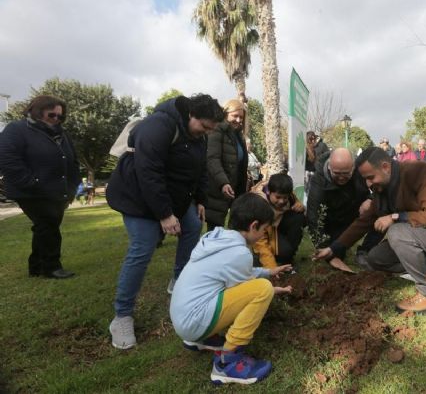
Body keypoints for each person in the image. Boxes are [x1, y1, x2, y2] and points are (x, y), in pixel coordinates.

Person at [106, 94, 223, 349]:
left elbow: (200, 170)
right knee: (143, 247)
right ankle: (122, 315)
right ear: (191, 114)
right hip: (138, 199)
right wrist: (164, 215)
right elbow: (148, 172)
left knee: (193, 227)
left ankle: (180, 282)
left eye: (211, 130)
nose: (206, 133)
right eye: (204, 127)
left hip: (176, 198)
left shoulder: (198, 136)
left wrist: (200, 199)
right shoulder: (159, 125)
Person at [314, 147, 426, 314]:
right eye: (365, 179)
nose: (368, 184)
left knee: (397, 232)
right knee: (376, 258)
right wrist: (334, 248)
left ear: (385, 167)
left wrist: (395, 216)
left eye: (371, 177)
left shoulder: (419, 172)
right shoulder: (382, 187)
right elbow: (363, 222)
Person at [169, 193, 292, 385]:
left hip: (183, 318)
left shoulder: (219, 238)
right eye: (264, 230)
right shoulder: (240, 252)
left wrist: (269, 271)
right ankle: (227, 362)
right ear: (253, 226)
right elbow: (249, 288)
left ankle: (203, 338)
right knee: (263, 290)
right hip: (193, 321)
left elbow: (238, 271)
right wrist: (272, 291)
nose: (263, 235)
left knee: (260, 286)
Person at [0, 95, 80, 279]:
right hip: (30, 191)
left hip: (57, 191)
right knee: (48, 224)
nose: (57, 120)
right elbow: (8, 160)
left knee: (44, 226)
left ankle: (36, 266)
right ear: (36, 111)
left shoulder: (61, 134)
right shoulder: (17, 129)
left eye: (60, 117)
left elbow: (73, 161)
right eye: (52, 115)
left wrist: (72, 186)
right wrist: (32, 183)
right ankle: (51, 267)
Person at [306, 148, 383, 271]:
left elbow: (380, 189)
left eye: (346, 174)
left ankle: (365, 250)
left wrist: (370, 199)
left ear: (353, 168)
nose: (341, 178)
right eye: (337, 173)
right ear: (329, 168)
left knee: (380, 209)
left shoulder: (360, 171)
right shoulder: (318, 180)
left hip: (351, 216)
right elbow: (313, 216)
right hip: (330, 221)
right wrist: (324, 249)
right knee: (336, 254)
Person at [205, 99, 249, 232]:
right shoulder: (217, 130)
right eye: (234, 116)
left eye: (241, 117)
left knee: (235, 226)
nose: (238, 120)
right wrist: (223, 182)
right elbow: (212, 159)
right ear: (226, 114)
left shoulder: (238, 135)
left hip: (235, 187)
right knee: (215, 229)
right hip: (218, 188)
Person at [251, 173, 306, 268]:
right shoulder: (259, 205)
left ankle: (286, 259)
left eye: (285, 198)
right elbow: (260, 241)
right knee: (281, 252)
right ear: (269, 192)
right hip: (259, 237)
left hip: (275, 228)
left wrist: (299, 206)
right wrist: (271, 267)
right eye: (278, 197)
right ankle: (262, 259)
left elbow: (295, 202)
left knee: (299, 217)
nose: (281, 201)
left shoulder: (287, 194)